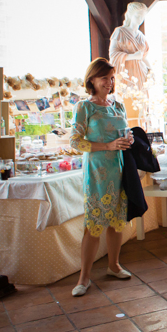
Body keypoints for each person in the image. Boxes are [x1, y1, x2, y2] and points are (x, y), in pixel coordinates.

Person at [70, 58, 134, 297]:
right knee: (93, 225)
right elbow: (75, 141)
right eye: (104, 78)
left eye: (112, 77)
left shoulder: (118, 106)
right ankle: (84, 277)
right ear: (92, 80)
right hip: (97, 171)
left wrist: (128, 140)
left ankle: (114, 265)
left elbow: (125, 133)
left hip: (119, 168)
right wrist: (107, 146)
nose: (109, 82)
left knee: (117, 220)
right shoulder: (84, 107)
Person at [109, 1, 151, 91]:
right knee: (127, 99)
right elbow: (113, 54)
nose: (140, 19)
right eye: (137, 16)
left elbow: (143, 57)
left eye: (142, 17)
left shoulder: (141, 36)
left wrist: (151, 70)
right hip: (126, 73)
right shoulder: (120, 32)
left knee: (141, 101)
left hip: (140, 73)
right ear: (130, 15)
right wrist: (133, 56)